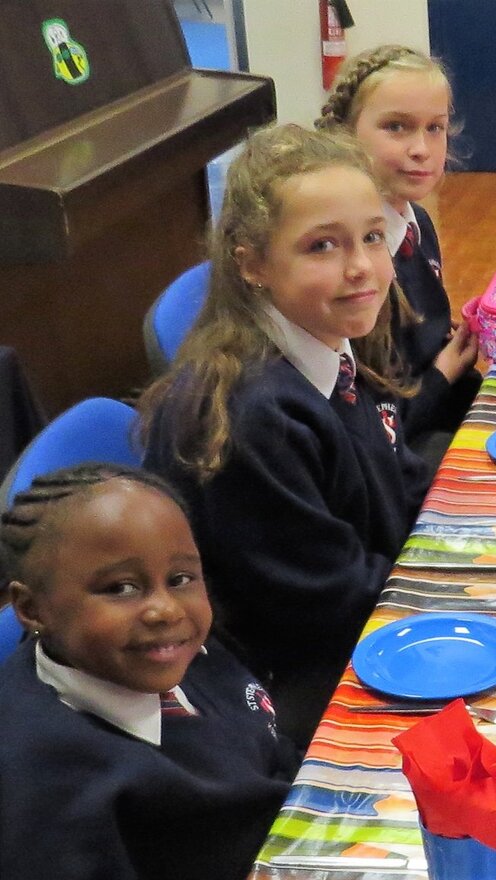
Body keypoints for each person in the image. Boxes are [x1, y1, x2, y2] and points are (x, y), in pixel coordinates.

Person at [139, 124, 431, 745]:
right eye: (322, 246)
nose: (361, 268)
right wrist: (456, 581)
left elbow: (395, 471)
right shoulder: (253, 415)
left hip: (354, 600)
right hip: (290, 679)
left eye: (372, 237)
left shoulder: (332, 341)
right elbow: (327, 604)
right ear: (252, 264)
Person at [0, 464, 297, 880]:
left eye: (180, 578)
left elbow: (266, 743)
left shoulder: (167, 653)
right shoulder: (51, 804)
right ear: (32, 609)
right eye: (121, 588)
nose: (166, 610)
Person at [317, 45, 483, 462]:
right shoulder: (349, 266)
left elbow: (422, 340)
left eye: (435, 128)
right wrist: (447, 369)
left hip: (437, 408)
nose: (421, 149)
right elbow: (373, 425)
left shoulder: (417, 224)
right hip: (393, 453)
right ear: (345, 135)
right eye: (396, 127)